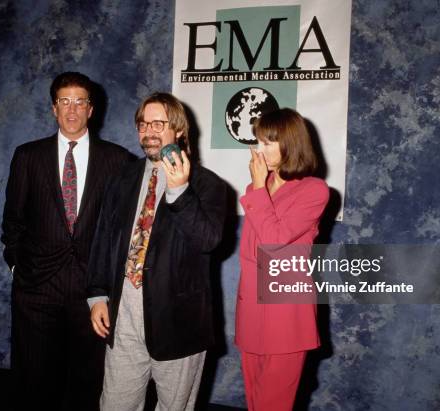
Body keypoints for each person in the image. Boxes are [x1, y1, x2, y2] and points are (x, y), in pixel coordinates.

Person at [87, 92, 227, 411]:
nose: (148, 130)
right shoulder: (121, 179)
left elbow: (209, 240)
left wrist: (179, 192)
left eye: (158, 123)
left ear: (178, 129)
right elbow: (103, 240)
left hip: (180, 324)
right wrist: (96, 295)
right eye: (142, 123)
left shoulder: (208, 186)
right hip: (124, 318)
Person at [1, 71, 132, 411]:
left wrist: (109, 284)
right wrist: (18, 266)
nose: (72, 110)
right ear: (53, 108)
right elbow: (13, 220)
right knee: (35, 383)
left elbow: (123, 230)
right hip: (37, 289)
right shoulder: (28, 157)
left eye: (80, 102)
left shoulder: (118, 161)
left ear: (92, 109)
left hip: (93, 293)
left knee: (88, 383)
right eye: (64, 102)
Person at [235, 108, 329, 411]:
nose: (258, 150)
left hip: (286, 314)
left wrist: (260, 188)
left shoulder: (314, 189)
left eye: (267, 143)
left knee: (273, 405)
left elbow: (275, 241)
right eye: (258, 141)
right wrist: (259, 188)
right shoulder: (256, 188)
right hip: (251, 308)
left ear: (289, 143)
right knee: (254, 401)